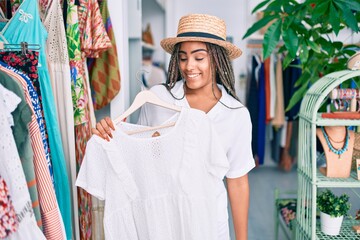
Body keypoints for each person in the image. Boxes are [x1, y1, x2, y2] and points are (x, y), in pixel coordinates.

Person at [92, 13, 255, 240]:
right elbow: (139, 158)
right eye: (183, 57)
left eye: (199, 58)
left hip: (208, 223)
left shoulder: (235, 115)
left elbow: (237, 182)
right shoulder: (158, 99)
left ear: (217, 59)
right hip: (163, 221)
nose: (189, 66)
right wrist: (110, 136)